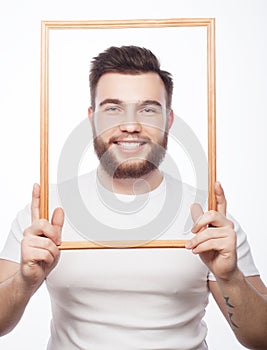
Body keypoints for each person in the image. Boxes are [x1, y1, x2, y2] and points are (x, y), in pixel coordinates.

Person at [0, 45, 267, 350]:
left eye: (148, 109)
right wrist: (25, 279)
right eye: (113, 108)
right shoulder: (46, 213)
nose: (130, 125)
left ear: (168, 119)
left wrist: (230, 277)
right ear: (92, 118)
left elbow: (261, 338)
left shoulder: (209, 218)